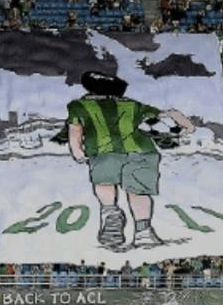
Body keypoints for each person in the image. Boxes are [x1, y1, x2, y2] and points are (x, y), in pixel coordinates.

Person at [66, 70, 195, 250]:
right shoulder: (133, 104)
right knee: (138, 191)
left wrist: (77, 150)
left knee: (104, 183)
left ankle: (111, 216)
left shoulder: (79, 105)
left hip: (104, 152)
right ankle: (143, 231)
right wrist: (188, 128)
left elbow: (75, 130)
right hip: (141, 152)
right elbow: (169, 114)